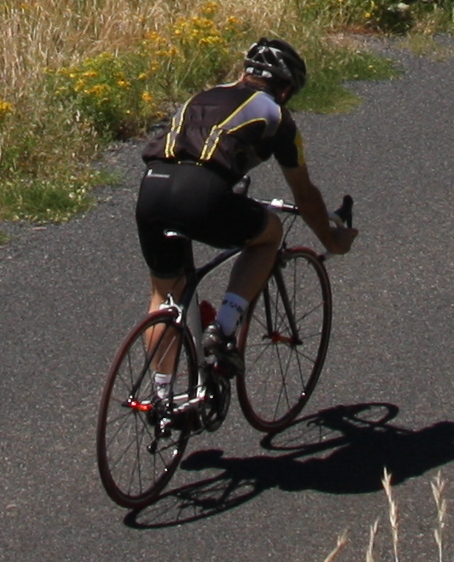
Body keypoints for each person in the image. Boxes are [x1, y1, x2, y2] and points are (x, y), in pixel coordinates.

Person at [130, 34, 353, 417]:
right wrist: (332, 240)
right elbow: (304, 194)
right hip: (202, 193)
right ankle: (224, 329)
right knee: (269, 234)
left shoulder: (201, 96)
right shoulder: (277, 116)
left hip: (152, 188)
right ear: (286, 89)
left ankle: (162, 398)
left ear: (245, 72)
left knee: (165, 296)